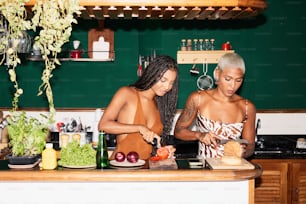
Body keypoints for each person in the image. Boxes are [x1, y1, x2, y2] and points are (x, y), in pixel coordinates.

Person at [174, 53, 256, 159]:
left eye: (238, 80)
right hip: (206, 170)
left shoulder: (247, 107)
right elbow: (179, 131)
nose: (232, 85)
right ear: (217, 73)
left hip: (233, 170)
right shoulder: (198, 99)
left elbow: (250, 146)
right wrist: (199, 135)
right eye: (228, 79)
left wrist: (243, 152)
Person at [98, 55, 179, 160]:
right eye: (163, 80)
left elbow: (149, 146)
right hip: (121, 169)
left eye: (171, 83)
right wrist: (140, 128)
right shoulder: (127, 93)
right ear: (152, 75)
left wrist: (163, 151)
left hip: (145, 171)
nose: (167, 87)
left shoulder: (159, 104)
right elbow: (103, 125)